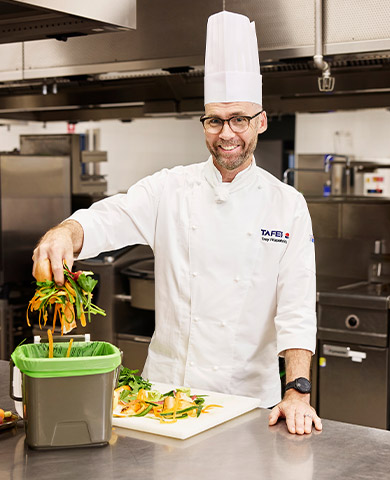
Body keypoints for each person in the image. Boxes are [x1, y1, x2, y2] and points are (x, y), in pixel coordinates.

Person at [32, 11, 321, 436]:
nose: (227, 133)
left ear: (261, 120)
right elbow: (107, 218)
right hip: (163, 395)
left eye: (239, 119)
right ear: (204, 122)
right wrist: (65, 233)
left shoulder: (287, 205)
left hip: (246, 400)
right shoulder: (170, 188)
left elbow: (296, 309)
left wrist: (297, 390)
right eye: (215, 120)